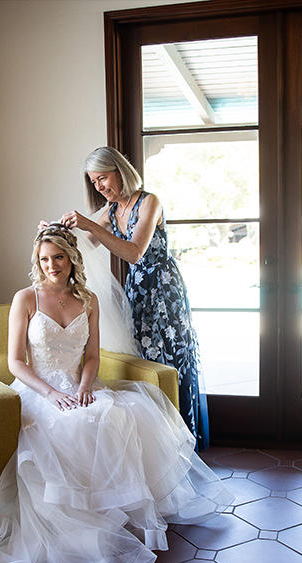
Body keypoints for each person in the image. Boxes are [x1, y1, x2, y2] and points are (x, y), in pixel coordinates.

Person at [0, 223, 233, 563]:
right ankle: (83, 530)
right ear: (36, 262)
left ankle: (115, 517)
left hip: (81, 385)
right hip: (38, 392)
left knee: (116, 413)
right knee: (70, 425)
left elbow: (92, 354)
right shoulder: (26, 299)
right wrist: (52, 394)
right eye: (44, 259)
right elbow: (16, 362)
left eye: (58, 257)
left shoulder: (87, 299)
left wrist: (86, 386)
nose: (52, 265)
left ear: (72, 258)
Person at [61, 146, 209, 450]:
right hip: (138, 289)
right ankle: (158, 440)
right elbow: (83, 248)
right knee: (144, 357)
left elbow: (134, 251)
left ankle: (183, 438)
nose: (100, 187)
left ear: (120, 171)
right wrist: (54, 233)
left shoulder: (148, 202)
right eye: (94, 183)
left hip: (163, 289)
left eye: (102, 178)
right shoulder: (111, 211)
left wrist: (89, 223)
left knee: (170, 357)